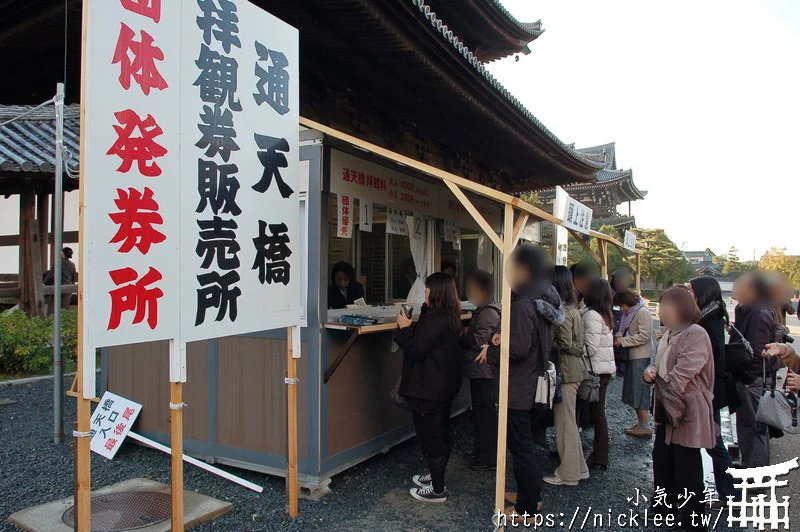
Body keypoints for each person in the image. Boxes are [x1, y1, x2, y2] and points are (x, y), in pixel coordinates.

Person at [477, 244, 563, 516]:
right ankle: (528, 495)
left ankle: (528, 507)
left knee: (521, 446)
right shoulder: (545, 299)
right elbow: (530, 341)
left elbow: (518, 349)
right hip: (530, 381)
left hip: (519, 386)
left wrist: (490, 351)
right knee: (523, 443)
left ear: (525, 270)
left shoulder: (525, 303)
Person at [643, 287, 715, 530]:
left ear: (682, 307)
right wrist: (650, 372)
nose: (662, 311)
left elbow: (683, 372)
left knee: (687, 465)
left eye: (668, 307)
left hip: (688, 409)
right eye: (661, 306)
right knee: (663, 459)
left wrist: (660, 380)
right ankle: (667, 507)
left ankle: (693, 520)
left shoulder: (696, 333)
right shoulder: (671, 332)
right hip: (668, 407)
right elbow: (658, 365)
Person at [395, 272, 463, 503]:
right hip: (443, 387)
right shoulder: (449, 315)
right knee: (441, 431)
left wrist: (404, 328)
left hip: (429, 388)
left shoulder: (436, 318)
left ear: (435, 292)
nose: (424, 291)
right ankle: (436, 477)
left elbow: (416, 349)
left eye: (427, 288)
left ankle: (437, 488)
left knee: (431, 436)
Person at [689, 276, 738, 502]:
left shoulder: (708, 321)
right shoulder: (713, 315)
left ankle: (730, 495)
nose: (690, 294)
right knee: (713, 442)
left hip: (709, 390)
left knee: (714, 443)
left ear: (702, 293)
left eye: (692, 290)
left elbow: (706, 359)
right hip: (712, 389)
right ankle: (729, 494)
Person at [544, 266, 589, 487]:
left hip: (567, 371)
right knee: (569, 420)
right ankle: (579, 467)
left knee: (564, 423)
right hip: (576, 370)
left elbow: (566, 344)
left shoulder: (562, 311)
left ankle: (568, 473)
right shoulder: (574, 307)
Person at [731, 271, 777, 468]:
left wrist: (748, 378)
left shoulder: (757, 313)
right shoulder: (752, 310)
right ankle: (750, 466)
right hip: (752, 378)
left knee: (754, 429)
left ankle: (756, 476)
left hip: (753, 379)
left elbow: (758, 352)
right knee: (749, 427)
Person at [460, 270, 501, 471]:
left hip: (484, 370)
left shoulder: (487, 313)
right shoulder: (486, 310)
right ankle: (482, 453)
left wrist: (462, 335)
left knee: (485, 415)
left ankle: (487, 457)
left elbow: (478, 340)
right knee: (482, 414)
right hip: (481, 370)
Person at [582, 278, 616, 470]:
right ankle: (599, 454)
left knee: (598, 414)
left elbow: (591, 348)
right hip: (604, 369)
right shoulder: (605, 314)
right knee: (598, 413)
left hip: (595, 370)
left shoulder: (593, 315)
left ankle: (600, 455)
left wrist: (575, 348)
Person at [613, 289, 653, 438]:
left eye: (622, 305)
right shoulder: (629, 313)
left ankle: (645, 426)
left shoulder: (642, 312)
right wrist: (619, 336)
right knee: (633, 389)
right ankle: (641, 424)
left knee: (639, 390)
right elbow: (622, 330)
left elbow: (645, 336)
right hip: (632, 355)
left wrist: (623, 341)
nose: (622, 309)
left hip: (640, 356)